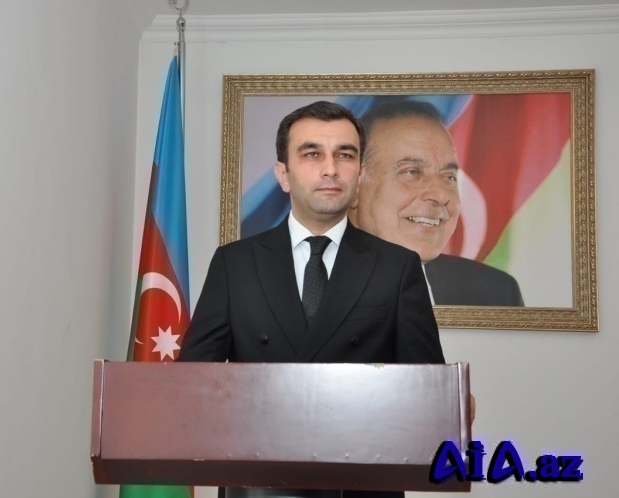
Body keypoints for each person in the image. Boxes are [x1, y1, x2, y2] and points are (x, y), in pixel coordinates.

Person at [178, 101, 445, 498]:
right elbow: (192, 382)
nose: (330, 169)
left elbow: (428, 388)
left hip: (361, 484)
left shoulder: (398, 266)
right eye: (312, 154)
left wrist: (448, 404)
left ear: (361, 174)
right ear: (283, 175)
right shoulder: (235, 263)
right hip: (257, 484)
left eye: (345, 155)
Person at [349, 101, 524, 307]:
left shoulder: (497, 293)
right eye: (412, 172)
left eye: (449, 177)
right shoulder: (315, 289)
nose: (441, 194)